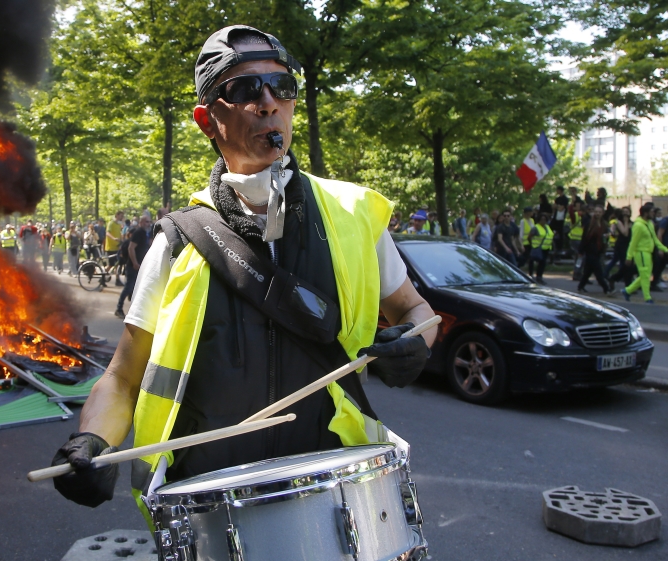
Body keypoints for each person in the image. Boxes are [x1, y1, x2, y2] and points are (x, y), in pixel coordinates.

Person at [49, 25, 435, 513]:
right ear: (207, 121)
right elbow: (123, 379)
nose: (268, 102)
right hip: (213, 508)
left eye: (282, 86)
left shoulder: (354, 214)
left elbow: (416, 310)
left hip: (333, 494)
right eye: (246, 89)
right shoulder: (176, 242)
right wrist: (92, 442)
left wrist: (416, 341)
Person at [622, 203, 667, 304]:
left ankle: (627, 291)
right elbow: (633, 242)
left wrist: (664, 249)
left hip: (648, 252)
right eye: (652, 212)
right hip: (641, 252)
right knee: (645, 275)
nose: (653, 213)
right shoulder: (638, 225)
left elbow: (655, 239)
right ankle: (647, 297)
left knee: (645, 275)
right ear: (645, 213)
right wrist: (629, 256)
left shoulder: (649, 223)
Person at [113, 214, 151, 319]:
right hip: (133, 266)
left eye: (149, 222)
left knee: (139, 289)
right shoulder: (138, 233)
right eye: (146, 222)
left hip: (141, 266)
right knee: (128, 287)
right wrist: (134, 263)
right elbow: (131, 248)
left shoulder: (146, 233)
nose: (148, 224)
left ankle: (137, 312)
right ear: (141, 222)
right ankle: (119, 309)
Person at [576, 206, 611, 294]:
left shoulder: (604, 224)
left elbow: (605, 237)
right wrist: (581, 250)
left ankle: (580, 286)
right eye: (596, 212)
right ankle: (606, 288)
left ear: (602, 213)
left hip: (599, 250)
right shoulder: (590, 223)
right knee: (598, 270)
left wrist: (606, 237)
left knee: (588, 271)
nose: (597, 214)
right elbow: (584, 238)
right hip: (590, 250)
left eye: (599, 212)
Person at [527, 210, 553, 284]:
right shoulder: (535, 228)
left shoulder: (547, 227)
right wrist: (532, 244)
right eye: (542, 219)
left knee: (542, 263)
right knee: (532, 261)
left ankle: (539, 277)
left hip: (546, 248)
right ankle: (531, 275)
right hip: (537, 248)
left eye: (545, 219)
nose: (543, 221)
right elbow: (529, 237)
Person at [107, 211, 126, 286]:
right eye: (121, 216)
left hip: (117, 246)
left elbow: (120, 234)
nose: (122, 217)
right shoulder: (111, 223)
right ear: (117, 215)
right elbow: (107, 233)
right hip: (111, 247)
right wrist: (113, 238)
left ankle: (117, 280)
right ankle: (103, 274)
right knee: (111, 264)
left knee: (116, 264)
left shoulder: (119, 225)